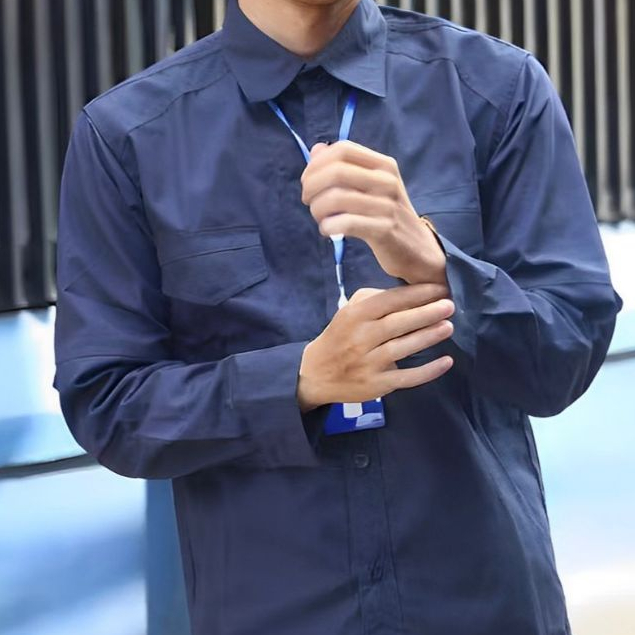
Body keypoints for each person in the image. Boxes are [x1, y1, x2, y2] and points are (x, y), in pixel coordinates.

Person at [53, 0, 622, 633]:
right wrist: (298, 380)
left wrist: (438, 266)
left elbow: (568, 349)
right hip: (276, 611)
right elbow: (107, 405)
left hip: (483, 601)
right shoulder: (129, 136)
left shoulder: (496, 88)